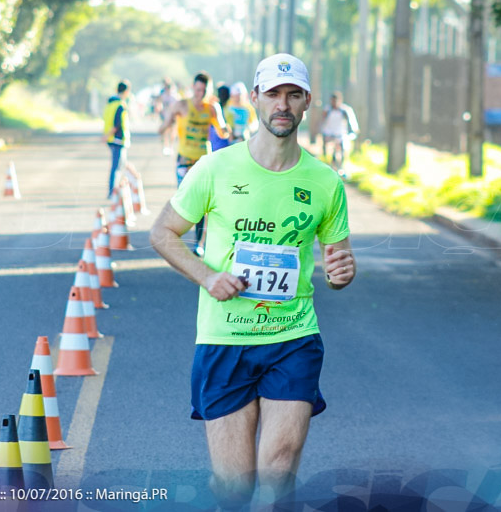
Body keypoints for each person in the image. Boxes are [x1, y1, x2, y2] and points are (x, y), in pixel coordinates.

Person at [150, 53, 356, 509]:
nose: (283, 104)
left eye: (293, 95)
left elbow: (338, 261)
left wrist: (342, 273)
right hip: (225, 339)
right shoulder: (215, 169)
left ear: (307, 104)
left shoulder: (325, 182)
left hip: (293, 337)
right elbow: (162, 233)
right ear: (256, 100)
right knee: (235, 486)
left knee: (279, 469)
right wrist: (207, 277)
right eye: (274, 94)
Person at [159, 72, 229, 256]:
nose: (200, 94)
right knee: (184, 199)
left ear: (209, 90)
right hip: (184, 159)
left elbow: (222, 131)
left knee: (201, 204)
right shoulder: (181, 105)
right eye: (198, 90)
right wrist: (165, 125)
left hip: (203, 161)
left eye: (204, 90)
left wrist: (226, 129)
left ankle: (198, 243)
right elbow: (165, 124)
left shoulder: (212, 108)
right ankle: (174, 235)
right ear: (193, 88)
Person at [102, 80, 131, 198]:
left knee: (118, 166)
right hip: (118, 139)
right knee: (117, 167)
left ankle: (115, 191)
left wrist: (106, 136)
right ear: (126, 91)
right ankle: (113, 192)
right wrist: (107, 135)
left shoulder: (110, 104)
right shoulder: (121, 105)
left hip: (111, 140)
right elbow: (117, 124)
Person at [320, 91, 359, 173]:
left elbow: (352, 122)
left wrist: (353, 131)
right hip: (329, 133)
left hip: (340, 134)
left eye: (336, 101)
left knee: (342, 149)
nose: (334, 103)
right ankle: (328, 165)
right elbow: (322, 121)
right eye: (332, 101)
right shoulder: (327, 110)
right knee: (328, 151)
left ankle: (342, 167)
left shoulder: (345, 110)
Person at [154, 78, 179, 155]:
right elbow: (158, 101)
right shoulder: (163, 95)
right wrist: (158, 108)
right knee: (165, 131)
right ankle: (166, 146)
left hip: (173, 116)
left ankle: (171, 146)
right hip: (165, 116)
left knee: (172, 131)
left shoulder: (175, 96)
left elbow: (178, 105)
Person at [209, 84, 233, 152]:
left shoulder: (211, 107)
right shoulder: (229, 111)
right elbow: (227, 132)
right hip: (222, 147)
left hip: (213, 147)